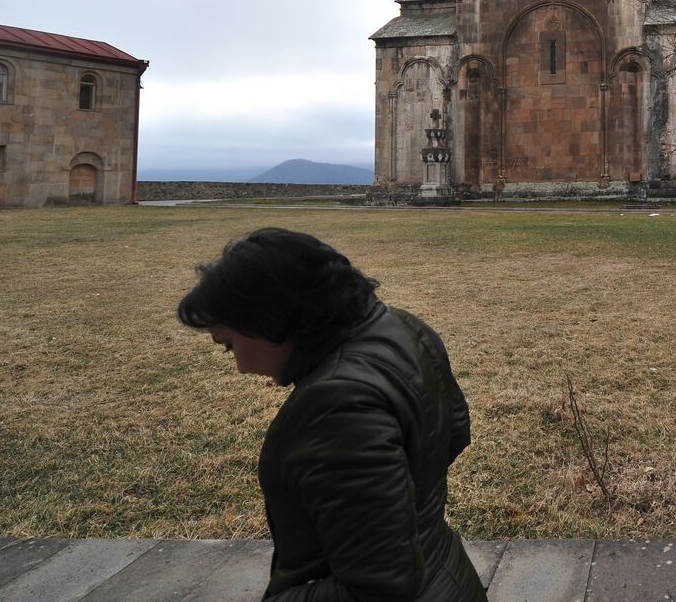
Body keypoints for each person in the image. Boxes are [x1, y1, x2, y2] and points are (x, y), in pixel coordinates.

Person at [177, 227, 487, 601]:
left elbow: (379, 589)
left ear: (268, 319)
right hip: (445, 572)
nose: (240, 367)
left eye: (229, 346)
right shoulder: (405, 327)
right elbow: (453, 433)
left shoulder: (336, 405)